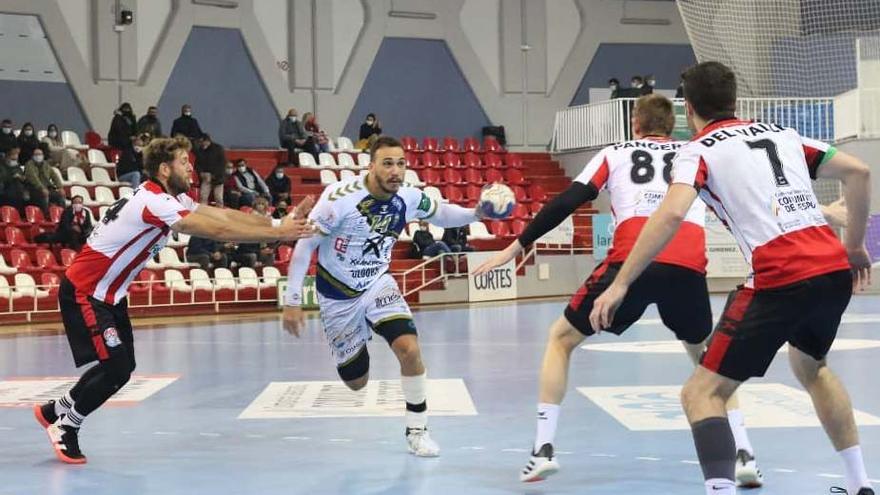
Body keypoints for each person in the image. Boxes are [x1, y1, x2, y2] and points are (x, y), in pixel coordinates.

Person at [590, 62, 875, 495]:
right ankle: (860, 485)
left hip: (779, 276)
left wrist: (621, 282)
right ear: (735, 101)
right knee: (811, 366)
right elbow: (859, 172)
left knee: (701, 394)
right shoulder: (781, 134)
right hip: (832, 270)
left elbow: (669, 215)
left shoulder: (698, 150)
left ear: (688, 108)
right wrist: (854, 246)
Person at [475, 93, 760, 486]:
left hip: (632, 263)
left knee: (560, 338)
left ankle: (543, 449)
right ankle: (744, 453)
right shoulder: (696, 152)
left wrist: (517, 244)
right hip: (687, 265)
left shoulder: (615, 152)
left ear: (635, 125)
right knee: (710, 364)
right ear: (672, 125)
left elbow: (569, 200)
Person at [31, 136, 317, 465]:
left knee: (122, 367)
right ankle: (67, 425)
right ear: (165, 169)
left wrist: (280, 223)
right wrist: (280, 235)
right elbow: (218, 233)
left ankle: (57, 409)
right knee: (117, 368)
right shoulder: (155, 201)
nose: (191, 166)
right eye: (184, 161)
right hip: (86, 291)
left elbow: (223, 217)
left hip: (109, 294)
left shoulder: (172, 196)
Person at [282, 136, 500, 458]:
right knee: (357, 382)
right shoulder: (338, 199)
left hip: (377, 284)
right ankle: (355, 342)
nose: (395, 171)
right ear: (370, 166)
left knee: (409, 349)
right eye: (387, 163)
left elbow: (442, 214)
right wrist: (292, 300)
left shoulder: (408, 197)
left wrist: (477, 213)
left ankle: (418, 431)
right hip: (338, 295)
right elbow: (305, 247)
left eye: (400, 163)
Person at [234, 197, 276, 268]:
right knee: (253, 256)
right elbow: (246, 247)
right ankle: (251, 275)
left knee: (271, 255)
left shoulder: (268, 217)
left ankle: (267, 274)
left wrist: (265, 249)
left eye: (262, 204)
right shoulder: (250, 221)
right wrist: (260, 250)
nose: (260, 206)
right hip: (246, 251)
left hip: (258, 250)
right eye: (258, 204)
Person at [24, 147, 66, 213]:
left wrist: (60, 187)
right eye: (36, 154)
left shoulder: (46, 164)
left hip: (47, 188)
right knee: (44, 195)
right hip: (34, 189)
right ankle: (45, 214)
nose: (38, 156)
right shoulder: (29, 165)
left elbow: (54, 176)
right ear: (32, 156)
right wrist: (42, 188)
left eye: (40, 154)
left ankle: (63, 214)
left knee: (60, 195)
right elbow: (34, 178)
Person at [194, 134, 226, 206]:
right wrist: (201, 173)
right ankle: (203, 213)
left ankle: (220, 214)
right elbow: (197, 164)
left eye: (202, 142)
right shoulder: (200, 150)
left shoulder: (218, 148)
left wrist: (213, 175)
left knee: (218, 198)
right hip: (206, 178)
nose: (201, 144)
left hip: (218, 178)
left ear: (207, 141)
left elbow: (222, 164)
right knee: (203, 198)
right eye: (200, 142)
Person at [0, 147, 27, 212]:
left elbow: (24, 177)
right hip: (7, 188)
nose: (14, 160)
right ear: (8, 157)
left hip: (19, 188)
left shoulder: (17, 166)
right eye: (12, 158)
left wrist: (21, 177)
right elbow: (3, 178)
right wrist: (12, 177)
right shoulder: (2, 166)